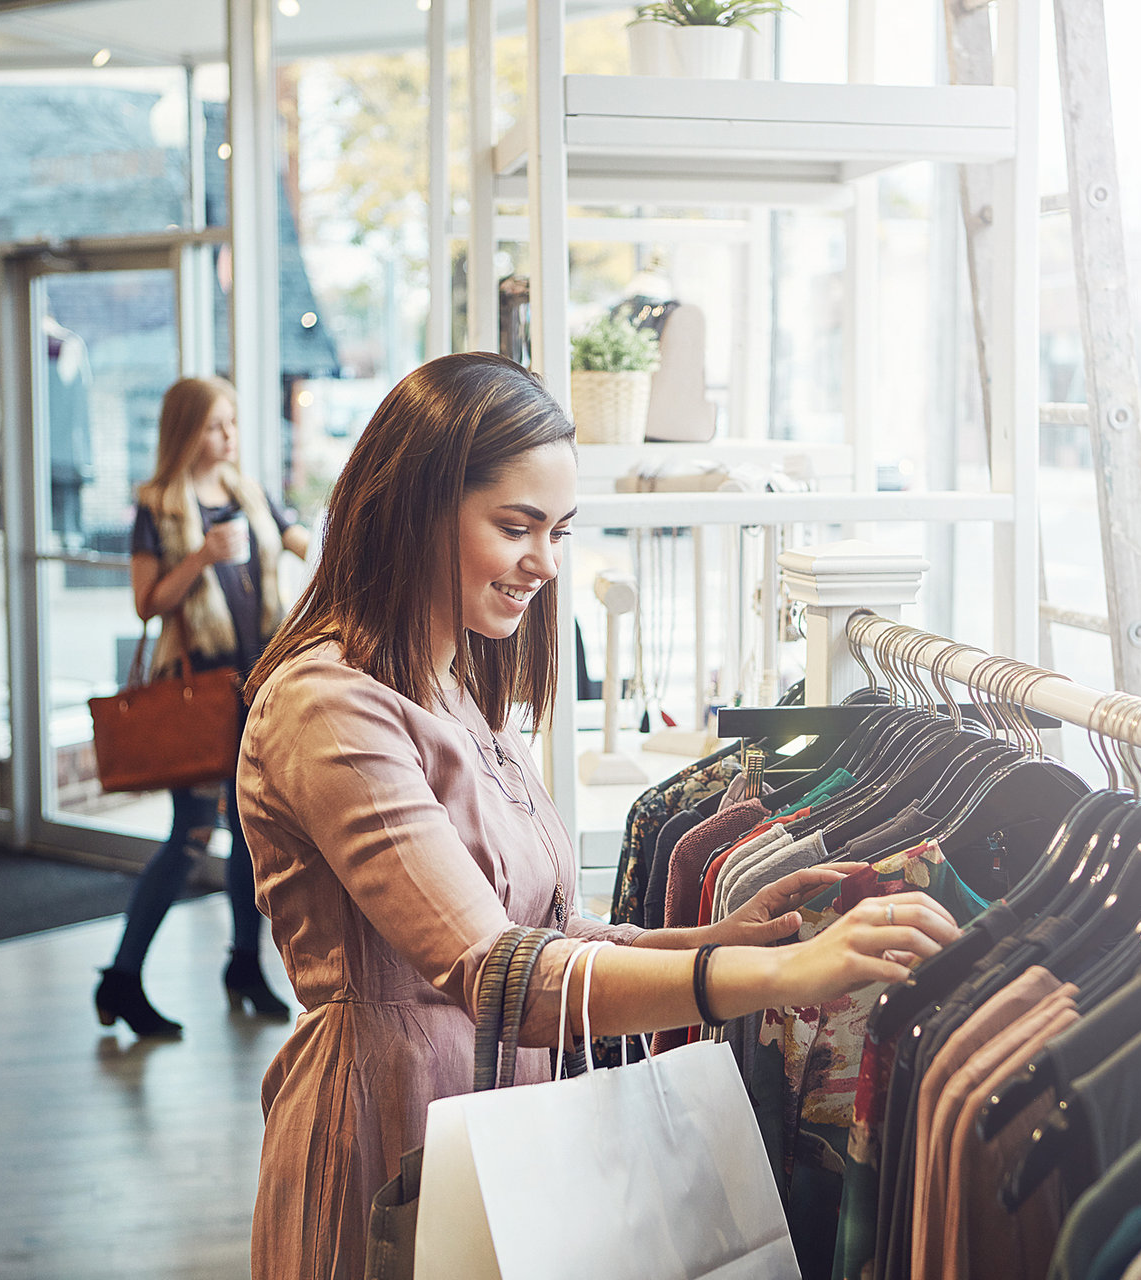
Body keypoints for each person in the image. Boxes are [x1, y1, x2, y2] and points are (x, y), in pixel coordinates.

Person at [237, 352, 960, 1280]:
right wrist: (772, 972)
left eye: (560, 532)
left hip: (493, 1114)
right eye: (516, 526)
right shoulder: (327, 705)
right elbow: (500, 974)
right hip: (387, 1123)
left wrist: (713, 933)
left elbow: (548, 930)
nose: (543, 563)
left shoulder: (456, 684)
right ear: (416, 509)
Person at [93, 376, 313, 1038]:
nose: (228, 437)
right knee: (191, 834)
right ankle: (122, 977)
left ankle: (244, 963)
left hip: (257, 684)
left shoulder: (249, 493)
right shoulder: (157, 507)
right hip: (198, 690)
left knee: (252, 828)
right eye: (216, 425)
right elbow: (147, 602)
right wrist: (202, 557)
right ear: (186, 431)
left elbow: (299, 540)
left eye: (234, 424)